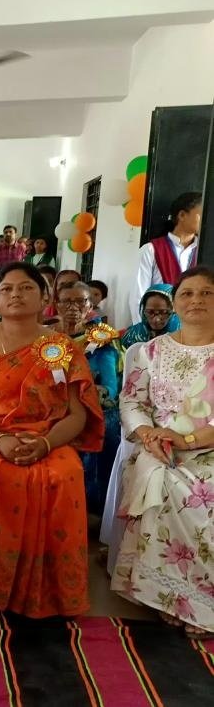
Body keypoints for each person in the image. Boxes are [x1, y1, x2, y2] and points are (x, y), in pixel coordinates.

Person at [0, 262, 105, 617]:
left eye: (26, 288)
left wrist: (46, 444)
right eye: (6, 289)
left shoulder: (63, 347)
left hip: (47, 436)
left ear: (45, 298)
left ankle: (48, 588)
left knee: (64, 473)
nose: (15, 294)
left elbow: (77, 415)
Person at [112, 266, 214, 638]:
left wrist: (188, 440)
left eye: (207, 293)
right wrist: (148, 435)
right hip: (160, 447)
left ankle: (202, 603)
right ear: (175, 303)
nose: (196, 300)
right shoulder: (151, 351)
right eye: (187, 293)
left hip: (207, 447)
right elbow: (132, 401)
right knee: (159, 477)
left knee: (202, 491)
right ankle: (170, 596)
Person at [55, 281, 122, 516]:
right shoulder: (45, 337)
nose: (73, 307)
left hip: (87, 404)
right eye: (67, 301)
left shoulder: (101, 341)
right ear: (56, 305)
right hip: (48, 405)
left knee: (107, 424)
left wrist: (95, 393)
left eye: (80, 301)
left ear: (90, 306)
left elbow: (109, 386)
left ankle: (93, 508)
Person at [131, 192, 202, 324]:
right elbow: (138, 297)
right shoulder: (151, 250)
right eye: (201, 214)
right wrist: (145, 330)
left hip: (195, 327)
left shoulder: (204, 251)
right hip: (158, 326)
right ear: (182, 215)